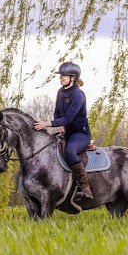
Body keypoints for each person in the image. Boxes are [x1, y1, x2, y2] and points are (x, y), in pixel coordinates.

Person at [33, 61, 93, 199]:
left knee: (70, 151)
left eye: (64, 75)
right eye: (61, 75)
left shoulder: (78, 95)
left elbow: (68, 118)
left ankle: (84, 186)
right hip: (66, 132)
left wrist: (46, 124)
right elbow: (57, 113)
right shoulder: (60, 92)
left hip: (80, 134)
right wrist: (60, 127)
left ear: (73, 77)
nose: (61, 77)